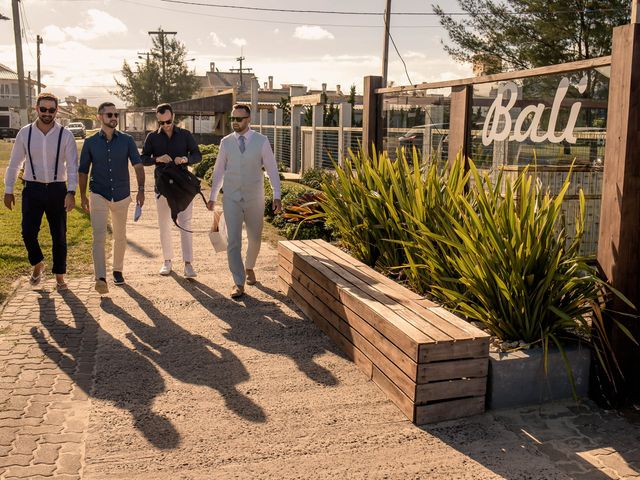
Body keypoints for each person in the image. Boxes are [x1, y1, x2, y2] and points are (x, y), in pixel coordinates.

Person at [3, 92, 78, 290]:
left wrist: (71, 192)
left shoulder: (66, 135)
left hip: (57, 190)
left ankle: (59, 276)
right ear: (36, 109)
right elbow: (14, 163)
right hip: (32, 188)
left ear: (56, 111)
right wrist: (8, 189)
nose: (47, 113)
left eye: (51, 110)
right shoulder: (25, 133)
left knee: (59, 235)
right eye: (43, 109)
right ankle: (38, 264)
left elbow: (72, 166)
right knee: (28, 232)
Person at [206, 104, 282, 298]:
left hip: (254, 198)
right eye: (233, 119)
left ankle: (249, 267)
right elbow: (219, 171)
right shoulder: (225, 142)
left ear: (249, 119)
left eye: (239, 119)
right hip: (231, 197)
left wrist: (277, 194)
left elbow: (271, 169)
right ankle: (238, 282)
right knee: (233, 241)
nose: (235, 123)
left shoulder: (261, 141)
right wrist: (213, 196)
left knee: (255, 238)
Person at [78, 102, 146, 294]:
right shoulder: (90, 142)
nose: (113, 117)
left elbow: (138, 166)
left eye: (116, 114)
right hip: (98, 193)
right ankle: (100, 277)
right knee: (98, 236)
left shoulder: (127, 140)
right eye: (109, 114)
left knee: (120, 236)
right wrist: (83, 196)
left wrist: (141, 190)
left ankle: (117, 270)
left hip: (122, 194)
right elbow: (83, 171)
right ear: (100, 116)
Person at [142, 103, 202, 278]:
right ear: (158, 121)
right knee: (164, 226)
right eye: (162, 123)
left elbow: (197, 155)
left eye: (168, 121)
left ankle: (188, 264)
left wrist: (185, 159)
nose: (166, 125)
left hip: (183, 187)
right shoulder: (152, 137)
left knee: (186, 224)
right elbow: (143, 158)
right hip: (162, 187)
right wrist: (156, 158)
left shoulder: (185, 135)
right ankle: (167, 261)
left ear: (173, 117)